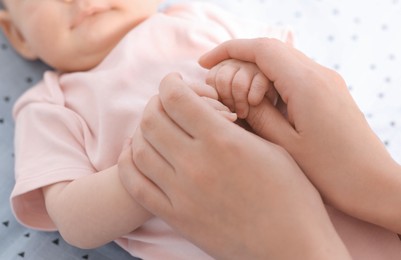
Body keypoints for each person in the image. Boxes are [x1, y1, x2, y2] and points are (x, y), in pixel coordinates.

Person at [0, 0, 292, 258]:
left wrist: (250, 75)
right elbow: (72, 219)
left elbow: (295, 71)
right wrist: (154, 162)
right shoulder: (48, 106)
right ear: (18, 35)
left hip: (321, 194)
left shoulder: (199, 17)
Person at [118, 38, 401, 259]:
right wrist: (151, 169)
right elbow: (75, 226)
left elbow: (275, 76)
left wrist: (245, 78)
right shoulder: (72, 101)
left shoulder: (199, 19)